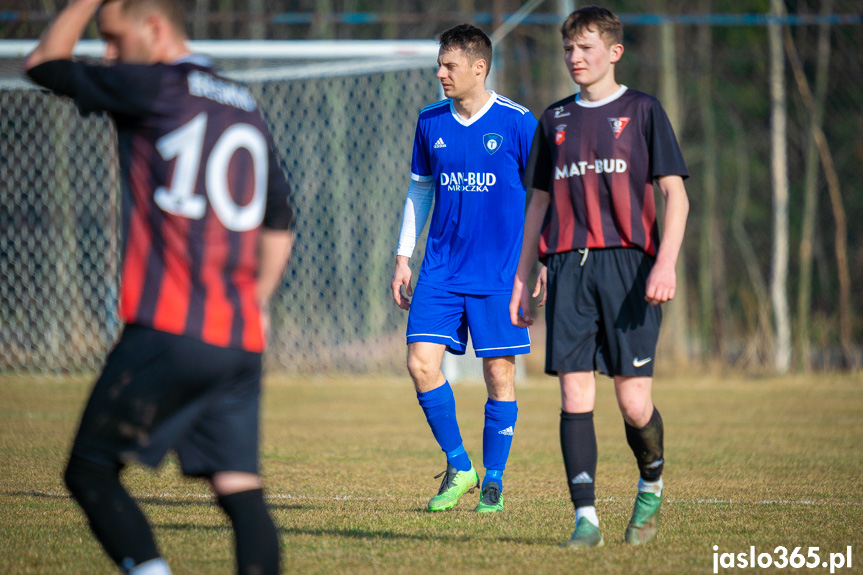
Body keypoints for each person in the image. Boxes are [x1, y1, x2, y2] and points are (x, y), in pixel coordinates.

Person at [24, 1, 295, 573]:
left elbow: (45, 62)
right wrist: (259, 301)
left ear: (154, 28)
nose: (110, 55)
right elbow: (280, 222)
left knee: (90, 470)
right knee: (240, 490)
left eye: (114, 39)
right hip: (238, 337)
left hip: (171, 325)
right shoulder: (245, 104)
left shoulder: (154, 87)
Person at [510, 5, 689, 548]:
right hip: (569, 266)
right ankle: (585, 517)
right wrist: (525, 273)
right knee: (573, 394)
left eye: (585, 49)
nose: (574, 58)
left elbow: (675, 195)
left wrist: (665, 262)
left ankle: (651, 482)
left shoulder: (643, 110)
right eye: (568, 49)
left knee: (633, 403)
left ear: (614, 52)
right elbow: (537, 203)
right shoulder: (555, 119)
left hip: (629, 268)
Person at [390, 24, 537, 513]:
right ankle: (459, 465)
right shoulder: (430, 121)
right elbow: (419, 190)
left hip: (498, 274)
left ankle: (493, 479)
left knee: (499, 374)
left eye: (449, 66)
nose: (440, 73)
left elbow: (544, 195)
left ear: (480, 68)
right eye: (440, 64)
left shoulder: (518, 123)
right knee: (420, 364)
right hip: (440, 270)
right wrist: (403, 256)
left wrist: (539, 259)